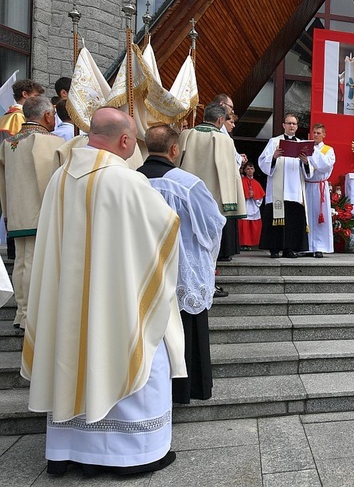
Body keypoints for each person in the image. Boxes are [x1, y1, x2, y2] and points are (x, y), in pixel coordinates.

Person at [20, 107, 186, 476]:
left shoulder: (60, 178)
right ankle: (133, 455)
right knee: (143, 352)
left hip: (66, 305)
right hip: (114, 301)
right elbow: (164, 232)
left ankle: (67, 450)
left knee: (71, 358)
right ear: (125, 140)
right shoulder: (126, 181)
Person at [139, 124, 225, 405]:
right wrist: (208, 256)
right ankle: (187, 389)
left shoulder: (131, 180)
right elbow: (213, 224)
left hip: (142, 270)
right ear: (174, 149)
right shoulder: (186, 183)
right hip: (182, 270)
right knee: (186, 329)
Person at [0, 96, 64, 330]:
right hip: (41, 212)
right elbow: (54, 181)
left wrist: (7, 212)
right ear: (47, 115)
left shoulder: (9, 142)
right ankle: (31, 315)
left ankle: (21, 311)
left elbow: (2, 182)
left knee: (21, 263)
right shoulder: (49, 141)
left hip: (17, 212)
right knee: (35, 263)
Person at [179, 102, 246, 263]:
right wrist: (233, 203)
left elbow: (176, 163)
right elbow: (230, 173)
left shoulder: (186, 135)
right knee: (208, 244)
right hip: (212, 200)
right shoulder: (223, 140)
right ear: (220, 120)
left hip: (186, 197)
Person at [258, 112, 313, 258]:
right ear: (284, 125)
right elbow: (262, 162)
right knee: (276, 220)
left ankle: (290, 248)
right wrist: (274, 157)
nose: (291, 126)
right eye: (289, 123)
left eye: (294, 124)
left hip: (294, 189)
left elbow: (309, 171)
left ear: (297, 126)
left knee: (292, 221)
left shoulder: (302, 144)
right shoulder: (274, 142)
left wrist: (306, 162)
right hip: (278, 190)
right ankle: (274, 249)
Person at [305, 123, 336, 257]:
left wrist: (312, 152)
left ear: (324, 135)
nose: (316, 135)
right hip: (307, 185)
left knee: (319, 217)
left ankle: (319, 247)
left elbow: (325, 165)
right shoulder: (307, 148)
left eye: (318, 133)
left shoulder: (328, 150)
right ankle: (306, 246)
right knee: (306, 216)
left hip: (319, 187)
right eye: (314, 132)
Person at [238, 162, 264, 249]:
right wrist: (246, 195)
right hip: (245, 205)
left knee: (254, 225)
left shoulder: (256, 183)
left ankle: (253, 243)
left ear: (254, 170)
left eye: (251, 168)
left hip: (253, 205)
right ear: (245, 170)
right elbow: (238, 194)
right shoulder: (241, 182)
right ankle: (244, 244)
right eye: (248, 169)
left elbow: (260, 197)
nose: (250, 171)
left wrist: (255, 195)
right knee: (244, 226)